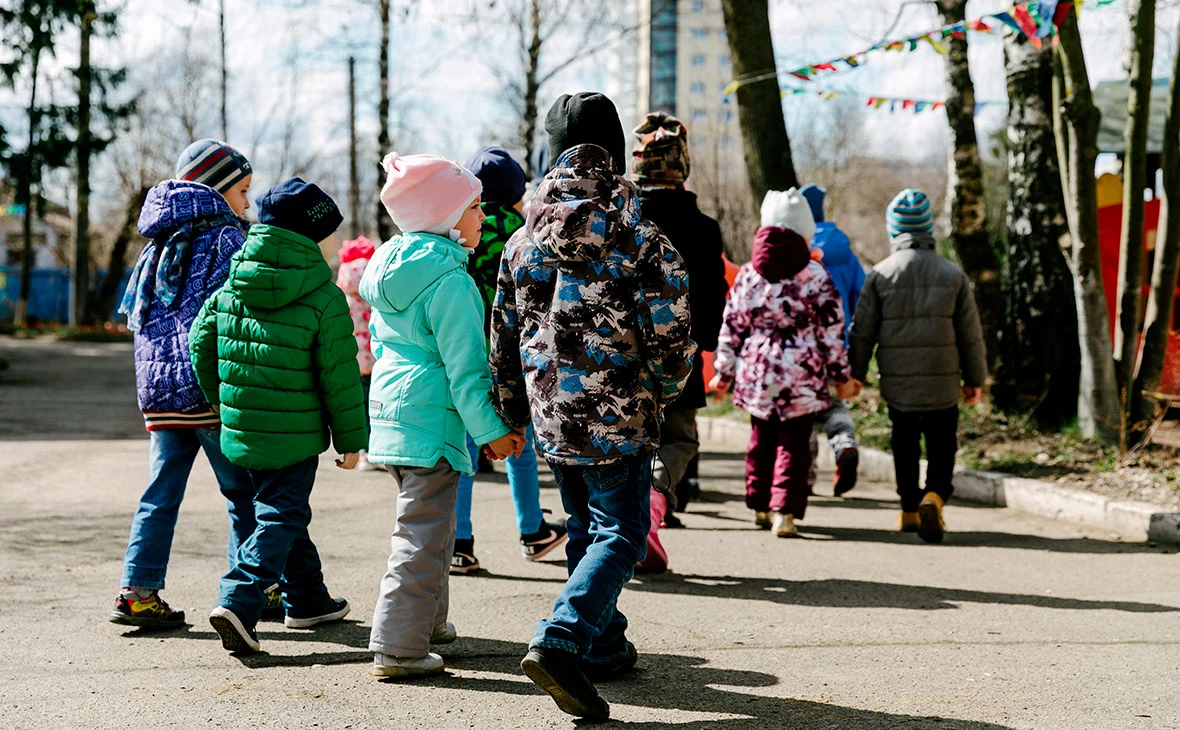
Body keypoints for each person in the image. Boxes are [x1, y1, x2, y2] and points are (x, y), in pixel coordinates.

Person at [491, 92, 695, 722]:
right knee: (626, 532)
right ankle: (563, 636)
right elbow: (668, 331)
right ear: (613, 152)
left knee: (585, 528)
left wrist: (511, 409)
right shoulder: (639, 235)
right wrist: (664, 388)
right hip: (620, 410)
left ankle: (604, 645)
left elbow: (501, 333)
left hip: (554, 410)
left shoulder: (522, 242)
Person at [362, 152, 525, 679]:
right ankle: (397, 647)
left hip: (391, 416)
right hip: (432, 418)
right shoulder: (452, 282)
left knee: (432, 527)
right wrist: (494, 433)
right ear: (446, 216)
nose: (482, 217)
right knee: (420, 535)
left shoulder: (392, 268)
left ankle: (427, 624)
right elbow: (466, 372)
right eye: (475, 208)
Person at [189, 178, 368, 654]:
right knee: (280, 513)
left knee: (284, 512)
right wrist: (351, 439)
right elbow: (339, 376)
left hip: (241, 427)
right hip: (296, 433)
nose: (332, 244)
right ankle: (239, 600)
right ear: (312, 237)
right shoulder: (324, 296)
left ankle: (308, 600)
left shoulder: (233, 283)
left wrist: (222, 400)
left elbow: (199, 343)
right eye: (329, 235)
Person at [111, 139, 257, 628]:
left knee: (160, 492)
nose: (247, 203)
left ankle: (138, 591)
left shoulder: (156, 244)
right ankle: (251, 590)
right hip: (209, 390)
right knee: (243, 493)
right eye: (242, 190)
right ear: (216, 188)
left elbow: (139, 319)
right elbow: (237, 316)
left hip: (159, 392)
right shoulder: (227, 241)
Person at [448, 145, 568, 575]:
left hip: (464, 351)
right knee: (519, 441)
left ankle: (459, 543)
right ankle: (532, 530)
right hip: (513, 355)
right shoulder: (528, 231)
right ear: (518, 194)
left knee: (463, 448)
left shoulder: (458, 229)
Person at [710, 189, 853, 538]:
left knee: (760, 438)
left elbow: (732, 325)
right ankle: (783, 512)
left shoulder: (748, 274)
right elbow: (831, 330)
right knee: (794, 443)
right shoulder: (816, 276)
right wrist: (840, 376)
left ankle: (758, 503)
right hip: (801, 373)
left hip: (758, 371)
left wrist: (723, 372)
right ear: (805, 233)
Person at [847, 189, 987, 544]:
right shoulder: (952, 274)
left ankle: (909, 508)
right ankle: (935, 496)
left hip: (899, 381)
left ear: (894, 230)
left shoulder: (879, 275)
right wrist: (975, 379)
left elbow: (863, 332)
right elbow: (970, 335)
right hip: (943, 380)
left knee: (904, 442)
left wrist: (856, 374)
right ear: (928, 229)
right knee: (942, 443)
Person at [630, 112, 728, 572]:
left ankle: (618, 522)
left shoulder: (624, 217)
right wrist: (706, 337)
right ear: (682, 167)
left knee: (625, 436)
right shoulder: (703, 228)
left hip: (621, 350)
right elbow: (713, 288)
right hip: (681, 351)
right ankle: (652, 499)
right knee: (680, 438)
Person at [799, 183, 864, 497]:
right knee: (835, 404)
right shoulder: (847, 254)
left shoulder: (799, 251)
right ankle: (845, 446)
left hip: (801, 349)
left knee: (806, 413)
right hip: (839, 343)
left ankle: (805, 477)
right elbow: (861, 299)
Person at [336, 235, 381, 471]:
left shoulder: (343, 296)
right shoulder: (377, 288)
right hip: (376, 357)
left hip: (353, 358)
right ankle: (379, 449)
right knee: (377, 403)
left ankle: (363, 453)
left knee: (358, 406)